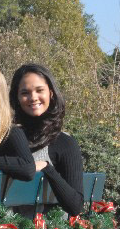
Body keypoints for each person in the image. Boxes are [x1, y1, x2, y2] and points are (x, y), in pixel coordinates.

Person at [9, 63, 83, 216]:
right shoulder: (7, 139)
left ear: (51, 93)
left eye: (39, 90)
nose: (33, 97)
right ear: (16, 97)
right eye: (25, 92)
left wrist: (46, 167)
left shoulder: (65, 143)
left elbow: (75, 206)